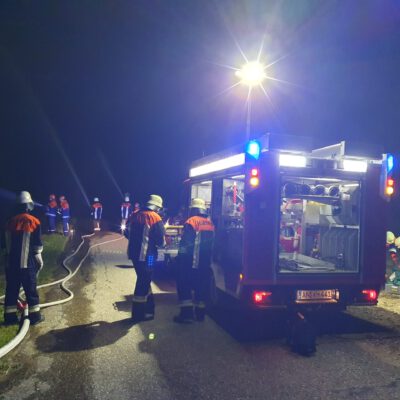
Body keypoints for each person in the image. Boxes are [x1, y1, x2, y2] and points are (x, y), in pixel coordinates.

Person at [4, 191, 44, 325]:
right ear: (29, 205)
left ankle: (10, 318)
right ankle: (35, 316)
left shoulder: (9, 222)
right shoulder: (34, 221)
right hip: (27, 264)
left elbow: (6, 244)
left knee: (11, 290)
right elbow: (37, 245)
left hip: (11, 264)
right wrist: (39, 258)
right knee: (31, 290)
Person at [174, 198, 215, 323]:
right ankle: (200, 315)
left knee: (184, 286)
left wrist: (179, 257)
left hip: (190, 262)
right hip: (205, 263)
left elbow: (185, 244)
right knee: (200, 288)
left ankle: (186, 315)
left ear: (193, 209)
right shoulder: (210, 224)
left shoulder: (191, 222)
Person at [128, 194, 165, 322]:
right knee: (144, 282)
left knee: (144, 280)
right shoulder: (155, 217)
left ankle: (149, 310)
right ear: (156, 207)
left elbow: (127, 232)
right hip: (148, 256)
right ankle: (138, 314)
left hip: (134, 255)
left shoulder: (135, 215)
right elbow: (161, 241)